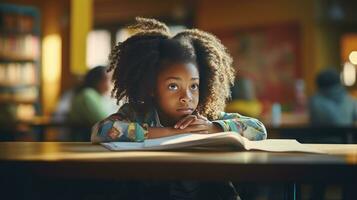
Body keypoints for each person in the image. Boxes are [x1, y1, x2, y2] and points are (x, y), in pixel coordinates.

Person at [91, 17, 267, 200]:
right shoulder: (137, 113)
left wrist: (214, 128)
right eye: (173, 86)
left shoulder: (206, 117)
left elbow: (258, 129)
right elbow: (102, 130)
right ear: (151, 88)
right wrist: (169, 132)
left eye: (193, 86)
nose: (186, 97)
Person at [67, 66, 117, 141]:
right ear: (97, 81)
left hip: (95, 138)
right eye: (108, 79)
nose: (112, 83)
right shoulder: (87, 95)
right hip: (85, 140)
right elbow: (105, 121)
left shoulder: (99, 96)